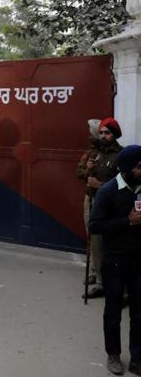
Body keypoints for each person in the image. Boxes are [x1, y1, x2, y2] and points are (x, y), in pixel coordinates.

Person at [89, 145, 141, 376]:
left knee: (139, 313)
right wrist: (127, 222)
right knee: (113, 311)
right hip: (115, 262)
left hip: (139, 261)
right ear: (128, 168)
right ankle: (113, 354)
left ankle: (137, 357)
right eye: (140, 166)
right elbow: (95, 226)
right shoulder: (108, 191)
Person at [78, 117, 124, 299]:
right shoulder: (95, 153)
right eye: (102, 132)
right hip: (92, 200)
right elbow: (80, 172)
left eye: (108, 133)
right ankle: (100, 281)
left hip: (110, 205)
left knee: (110, 243)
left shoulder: (121, 155)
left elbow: (123, 183)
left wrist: (100, 184)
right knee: (94, 241)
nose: (103, 136)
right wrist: (87, 172)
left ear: (115, 135)